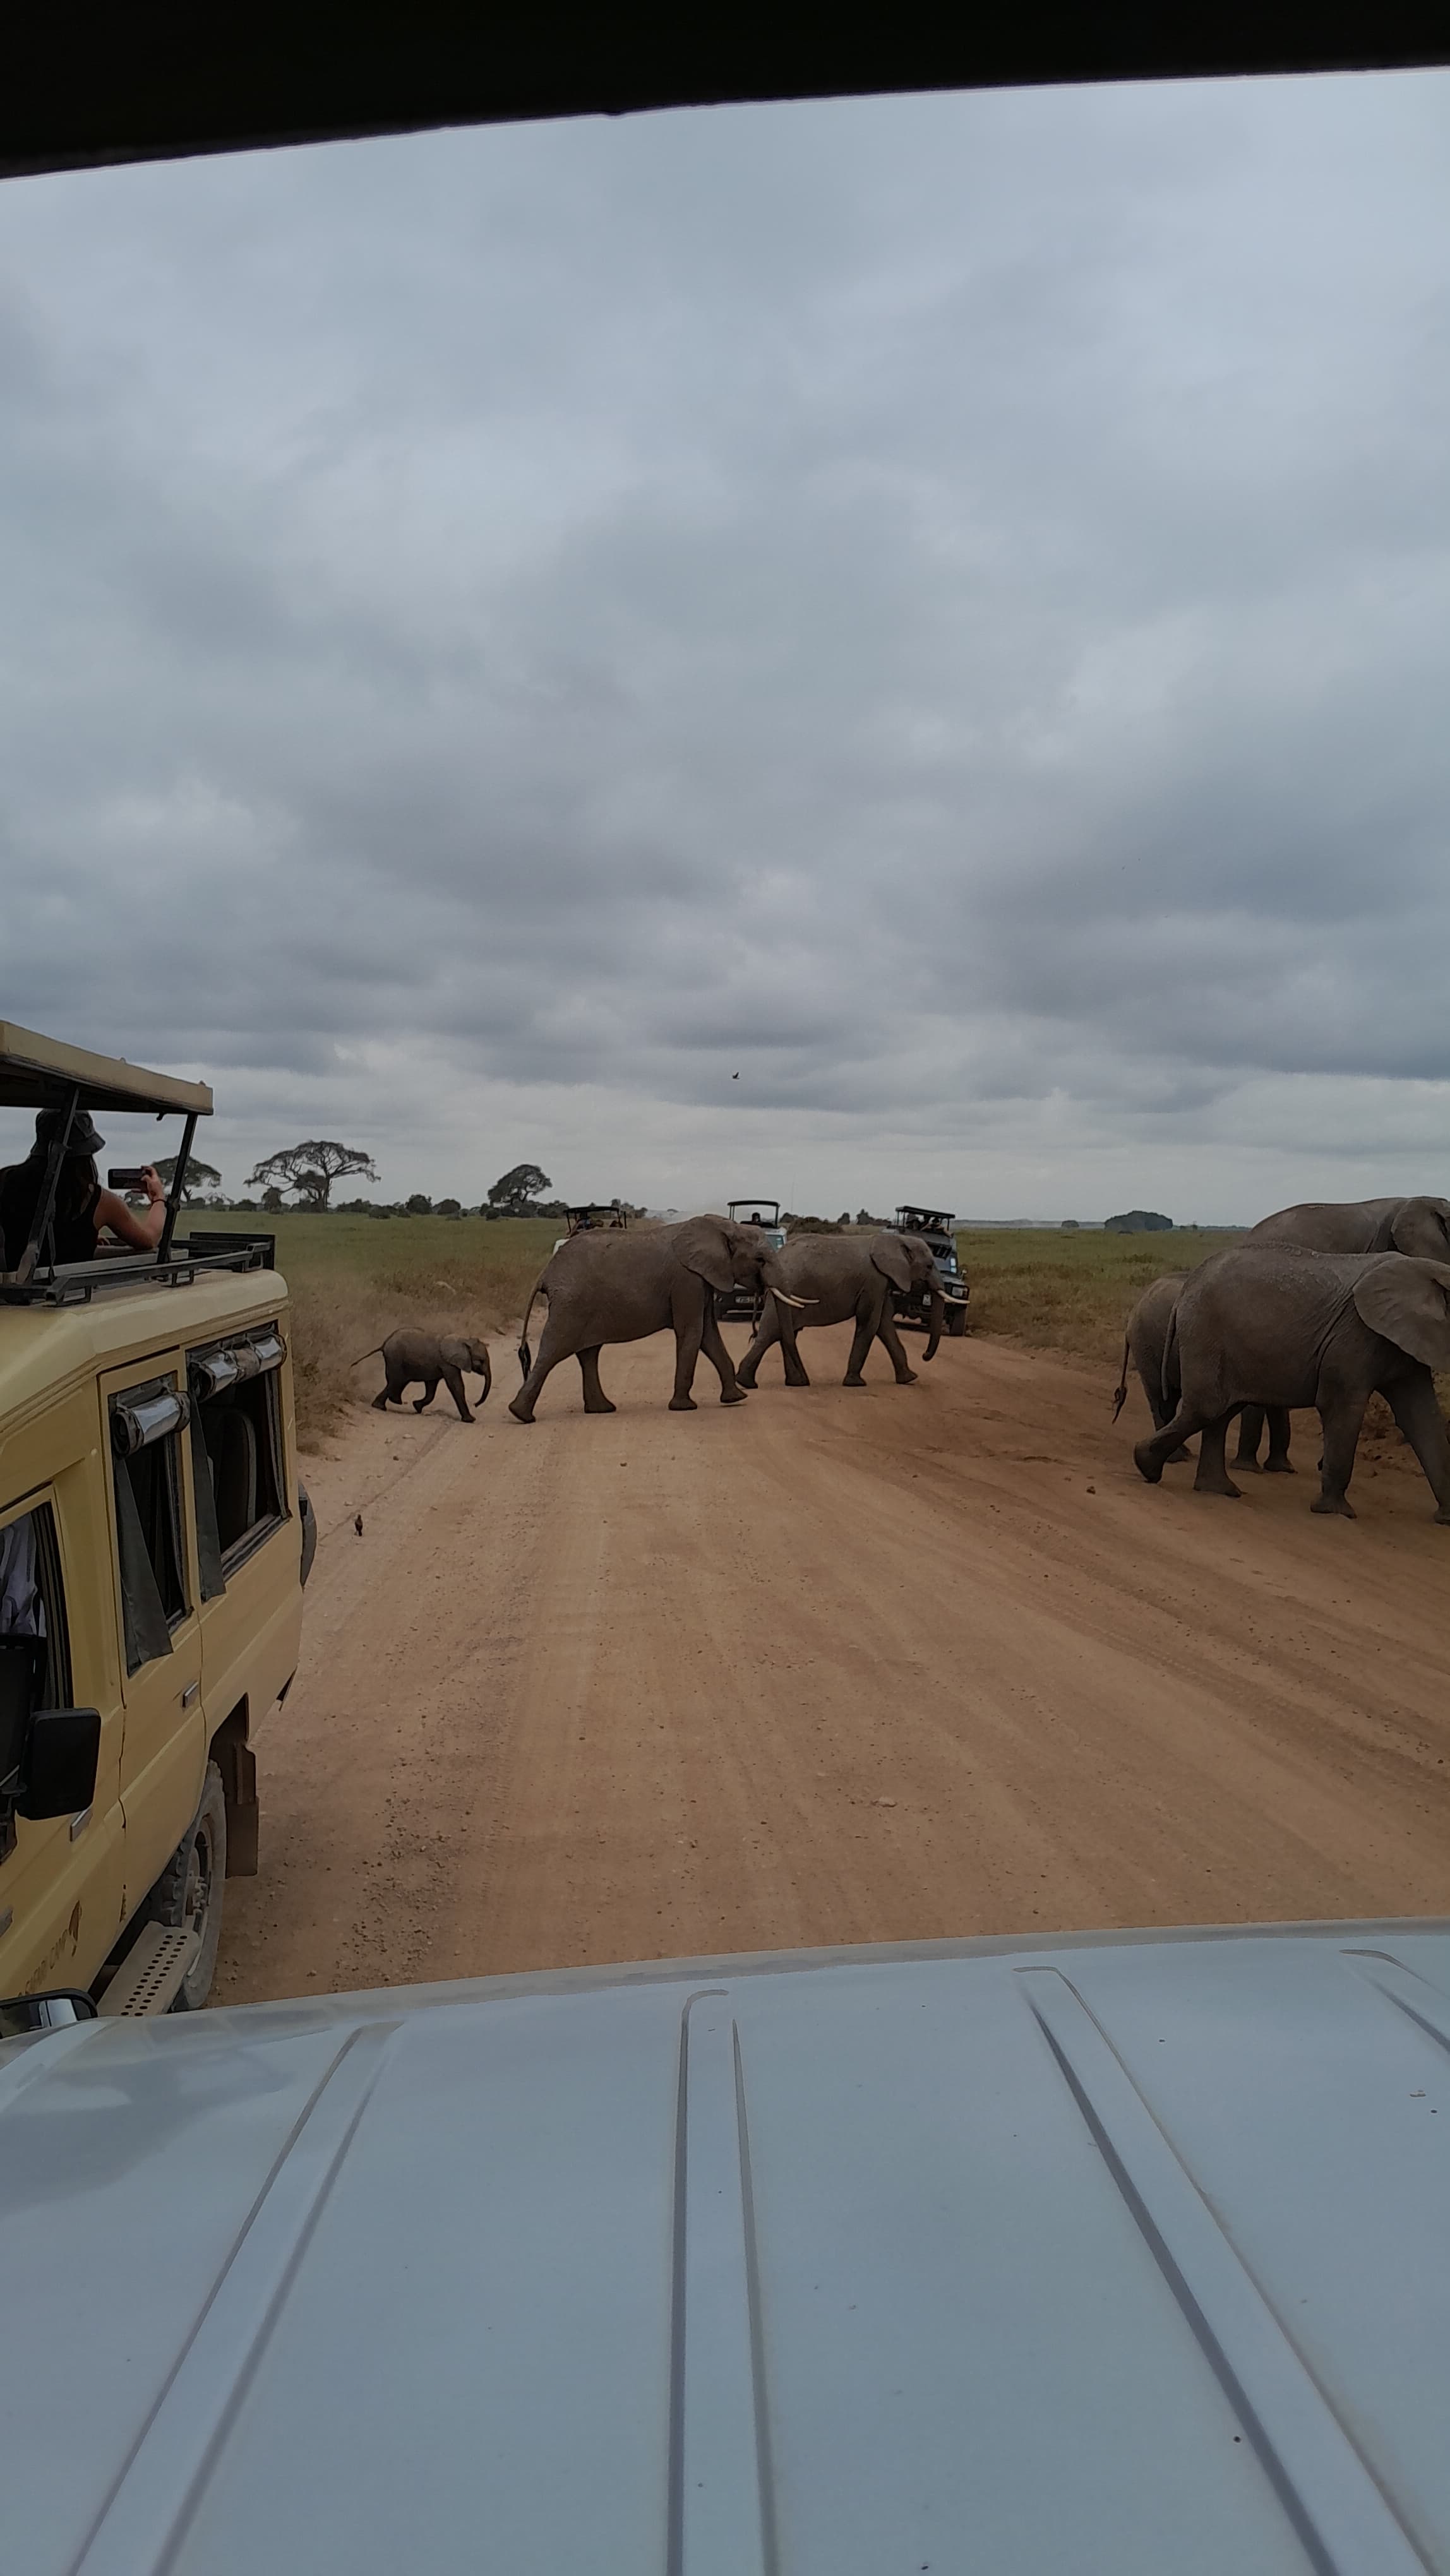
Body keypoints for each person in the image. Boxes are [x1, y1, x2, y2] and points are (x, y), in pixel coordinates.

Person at [0, 1108, 167, 1272]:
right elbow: (149, 1238)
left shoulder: (5, 1179)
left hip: (12, 1291)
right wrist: (158, 1198)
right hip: (71, 1295)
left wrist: (84, 1239)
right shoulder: (98, 1199)